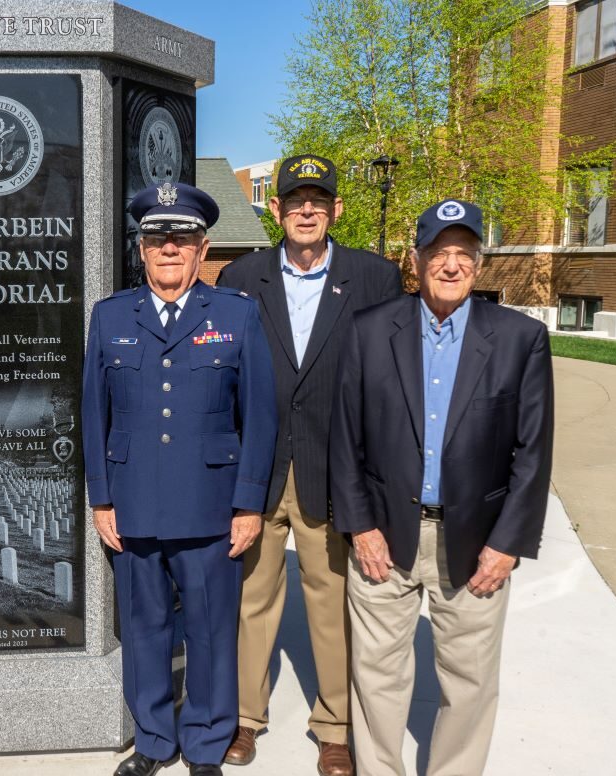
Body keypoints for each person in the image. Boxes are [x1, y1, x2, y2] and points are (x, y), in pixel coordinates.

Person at [330, 199, 554, 776]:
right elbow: (345, 440)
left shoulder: (518, 338)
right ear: (415, 259)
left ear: (479, 264)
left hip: (477, 542)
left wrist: (508, 543)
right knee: (377, 678)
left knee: (470, 683)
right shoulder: (369, 330)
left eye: (464, 253)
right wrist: (360, 526)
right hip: (384, 535)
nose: (451, 265)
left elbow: (532, 454)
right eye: (438, 252)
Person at [83, 182, 277, 776]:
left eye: (182, 238)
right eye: (157, 238)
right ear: (140, 249)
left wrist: (248, 506)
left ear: (203, 247)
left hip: (211, 505)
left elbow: (261, 416)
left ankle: (206, 742)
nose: (170, 248)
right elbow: (94, 411)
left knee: (212, 629)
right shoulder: (112, 315)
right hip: (134, 502)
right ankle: (153, 740)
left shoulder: (236, 314)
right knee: (144, 629)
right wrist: (101, 498)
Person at [216, 154, 401, 775]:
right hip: (257, 470)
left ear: (335, 210)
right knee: (252, 598)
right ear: (276, 209)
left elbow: (388, 382)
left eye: (318, 200)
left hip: (333, 468)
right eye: (295, 199)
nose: (305, 209)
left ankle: (335, 727)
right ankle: (244, 718)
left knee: (331, 599)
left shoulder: (374, 278)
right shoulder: (241, 278)